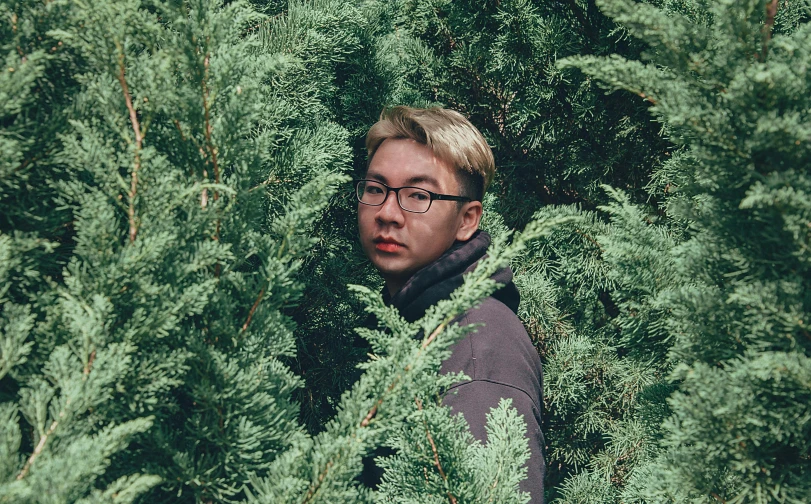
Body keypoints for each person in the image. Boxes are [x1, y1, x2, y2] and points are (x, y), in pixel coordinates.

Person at [356, 106, 546, 502]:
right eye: (376, 189)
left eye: (418, 195)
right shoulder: (417, 321)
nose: (388, 213)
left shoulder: (478, 343)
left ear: (467, 220)